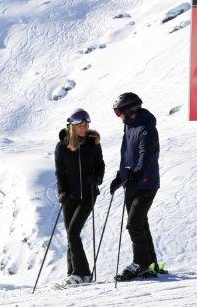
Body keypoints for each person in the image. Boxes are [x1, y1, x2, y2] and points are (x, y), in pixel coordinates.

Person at [109, 92, 161, 280]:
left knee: (134, 224)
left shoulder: (146, 127)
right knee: (141, 223)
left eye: (119, 112)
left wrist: (136, 174)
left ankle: (140, 263)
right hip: (131, 182)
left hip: (146, 183)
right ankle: (151, 263)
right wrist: (120, 176)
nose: (119, 116)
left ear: (130, 110)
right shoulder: (129, 126)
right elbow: (127, 155)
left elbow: (146, 154)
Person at [54, 108, 105, 286]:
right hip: (70, 197)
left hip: (88, 195)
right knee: (70, 235)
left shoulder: (93, 144)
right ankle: (72, 273)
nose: (85, 127)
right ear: (72, 126)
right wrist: (62, 191)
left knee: (74, 232)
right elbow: (60, 172)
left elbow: (101, 166)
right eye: (81, 125)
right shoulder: (62, 146)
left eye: (87, 124)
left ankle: (82, 273)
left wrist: (97, 178)